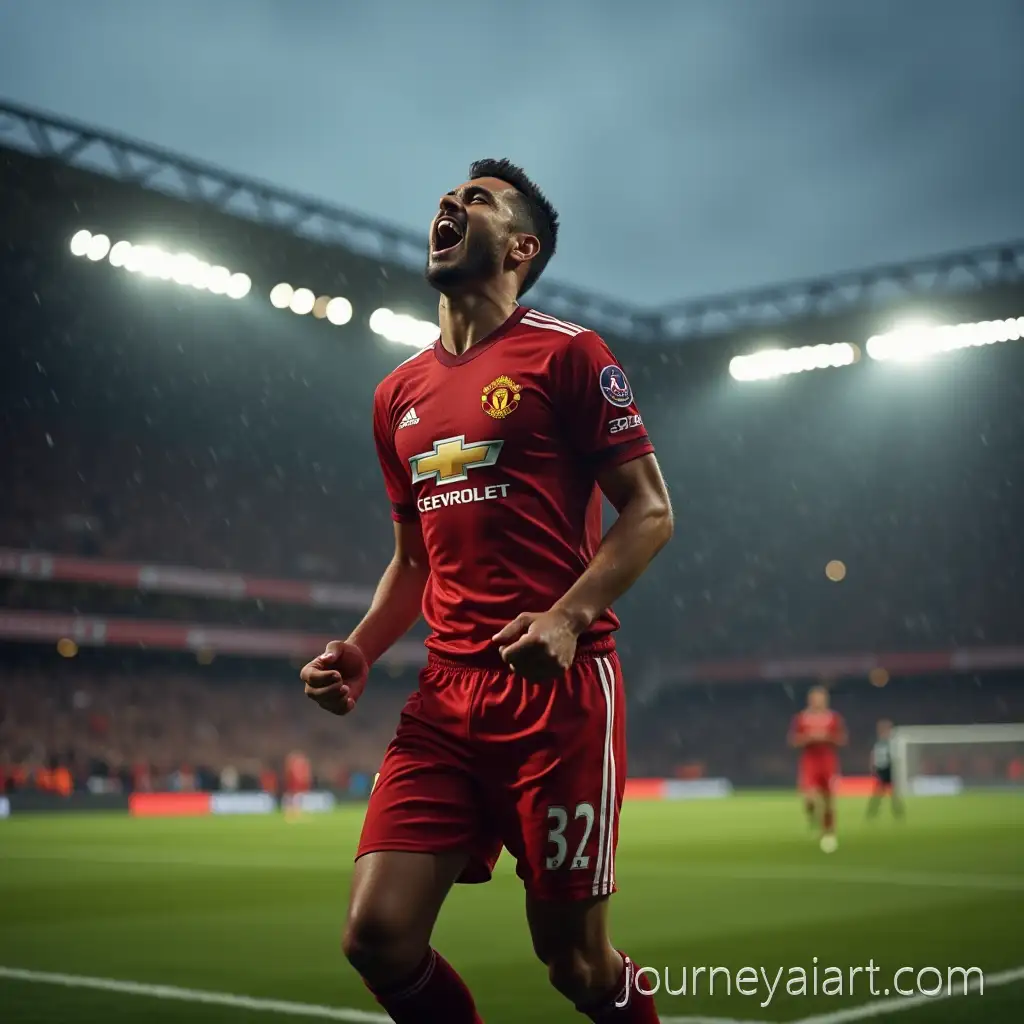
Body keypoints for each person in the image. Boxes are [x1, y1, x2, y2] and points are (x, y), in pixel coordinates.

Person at [301, 158, 673, 1023]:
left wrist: (569, 616)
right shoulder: (397, 394)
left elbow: (651, 510)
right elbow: (413, 562)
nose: (449, 203)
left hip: (560, 697)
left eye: (476, 200)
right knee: (377, 936)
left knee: (575, 966)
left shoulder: (570, 355)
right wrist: (359, 647)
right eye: (447, 196)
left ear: (519, 246)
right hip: (445, 699)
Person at [788, 685, 847, 851]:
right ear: (810, 700)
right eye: (815, 698)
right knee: (809, 797)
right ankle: (812, 815)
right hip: (810, 761)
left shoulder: (833, 718)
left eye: (820, 698)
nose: (818, 701)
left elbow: (842, 739)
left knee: (829, 799)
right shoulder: (801, 718)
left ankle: (828, 831)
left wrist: (827, 737)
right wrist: (808, 738)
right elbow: (793, 740)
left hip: (828, 761)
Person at [866, 718, 903, 819]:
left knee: (891, 794)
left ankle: (897, 812)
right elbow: (873, 756)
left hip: (888, 769)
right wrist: (873, 768)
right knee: (880, 793)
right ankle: (872, 812)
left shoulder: (891, 743)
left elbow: (893, 757)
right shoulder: (879, 743)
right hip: (881, 770)